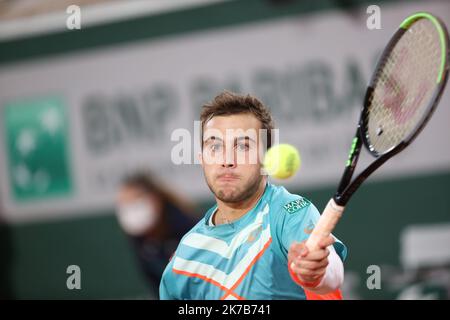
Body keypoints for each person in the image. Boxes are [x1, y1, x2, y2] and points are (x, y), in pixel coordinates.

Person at [159, 91, 347, 300]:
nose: (227, 160)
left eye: (243, 146)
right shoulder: (186, 254)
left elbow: (332, 272)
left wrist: (315, 271)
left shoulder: (289, 212)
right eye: (215, 146)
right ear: (201, 158)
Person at [116, 172, 196, 298]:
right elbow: (155, 285)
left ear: (155, 200)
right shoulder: (138, 239)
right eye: (124, 203)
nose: (130, 209)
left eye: (135, 200)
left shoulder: (189, 229)